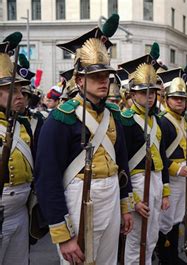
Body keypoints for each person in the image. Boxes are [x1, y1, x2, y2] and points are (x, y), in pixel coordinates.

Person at [35, 14, 134, 265]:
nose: (104, 81)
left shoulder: (112, 115)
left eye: (107, 76)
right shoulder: (59, 119)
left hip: (111, 194)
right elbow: (47, 179)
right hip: (77, 196)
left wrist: (125, 205)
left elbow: (122, 165)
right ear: (79, 80)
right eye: (96, 76)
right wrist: (62, 234)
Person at [119, 45, 171, 265]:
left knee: (151, 239)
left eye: (152, 92)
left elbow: (162, 156)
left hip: (156, 180)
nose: (149, 97)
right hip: (139, 182)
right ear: (132, 94)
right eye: (143, 92)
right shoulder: (126, 120)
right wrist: (133, 200)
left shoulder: (156, 120)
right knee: (135, 243)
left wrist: (165, 191)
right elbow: (122, 165)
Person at [0, 31, 36, 265]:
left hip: (21, 210)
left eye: (22, 90)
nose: (20, 96)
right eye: (12, 90)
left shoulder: (23, 125)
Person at [155, 67, 187, 265]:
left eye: (182, 98)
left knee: (177, 217)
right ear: (166, 99)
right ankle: (165, 256)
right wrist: (177, 169)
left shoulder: (184, 121)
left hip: (183, 177)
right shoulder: (163, 122)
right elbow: (158, 156)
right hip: (170, 177)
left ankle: (172, 255)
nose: (179, 101)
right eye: (175, 98)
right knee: (166, 220)